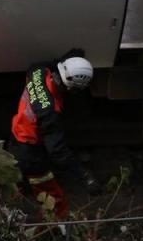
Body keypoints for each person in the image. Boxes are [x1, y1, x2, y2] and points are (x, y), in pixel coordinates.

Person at [8, 53, 100, 220]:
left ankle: (11, 206)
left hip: (15, 136)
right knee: (53, 199)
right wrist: (83, 175)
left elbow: (44, 63)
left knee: (15, 182)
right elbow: (58, 152)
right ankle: (54, 227)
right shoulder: (50, 111)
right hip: (30, 152)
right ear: (72, 88)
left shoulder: (38, 72)